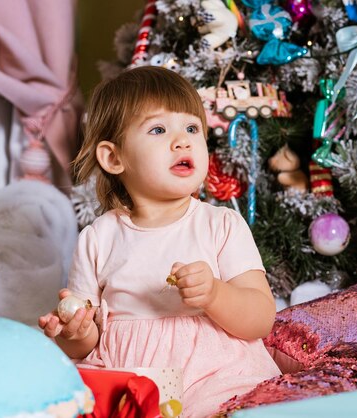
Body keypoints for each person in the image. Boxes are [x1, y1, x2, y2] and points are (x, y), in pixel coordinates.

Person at [38, 66, 281, 417]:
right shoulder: (98, 237)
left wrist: (215, 294)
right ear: (114, 158)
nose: (183, 141)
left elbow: (261, 318)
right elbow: (86, 341)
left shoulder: (220, 224)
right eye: (158, 129)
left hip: (216, 378)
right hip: (132, 381)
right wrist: (74, 333)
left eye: (192, 128)